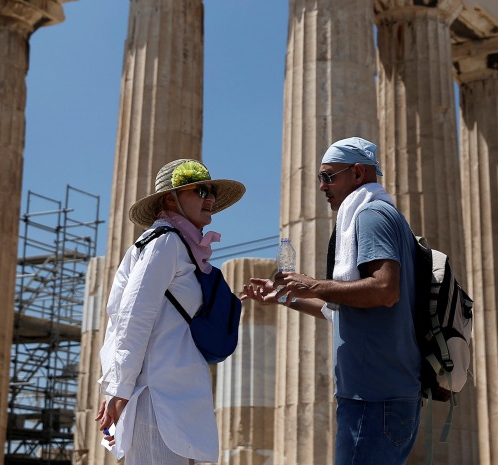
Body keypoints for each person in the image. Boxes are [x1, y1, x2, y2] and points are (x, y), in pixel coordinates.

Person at [242, 137, 422, 465]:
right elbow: (340, 311)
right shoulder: (380, 213)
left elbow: (384, 290)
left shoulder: (370, 215)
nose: (322, 187)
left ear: (357, 173)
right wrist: (286, 296)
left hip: (373, 396)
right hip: (382, 394)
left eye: (328, 177)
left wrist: (312, 284)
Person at [96, 158, 245, 464]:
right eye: (200, 190)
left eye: (212, 191)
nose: (210, 199)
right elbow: (132, 317)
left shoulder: (182, 247)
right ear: (170, 198)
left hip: (180, 398)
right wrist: (119, 388)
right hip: (159, 399)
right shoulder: (164, 242)